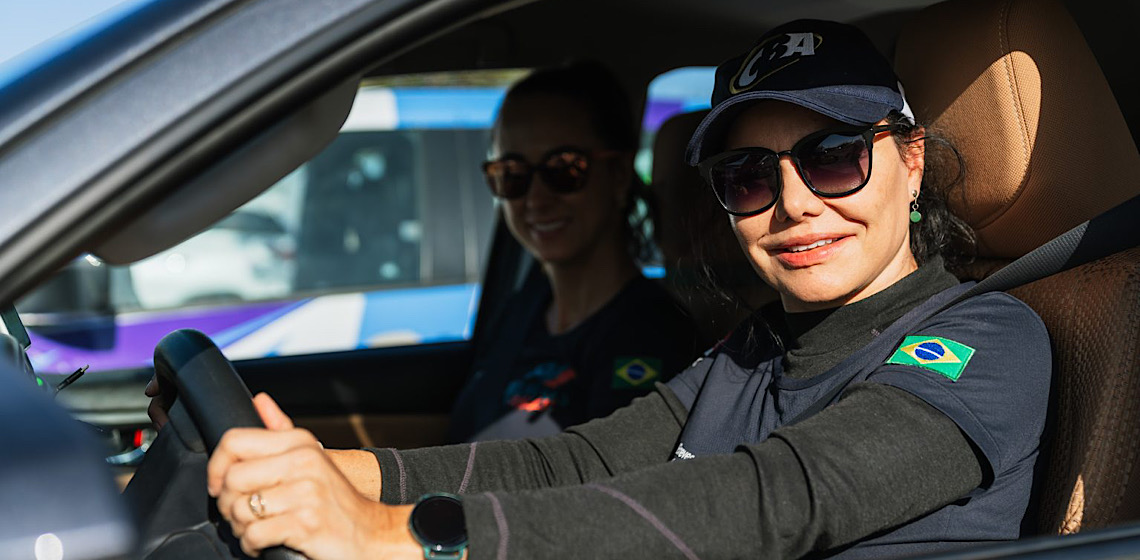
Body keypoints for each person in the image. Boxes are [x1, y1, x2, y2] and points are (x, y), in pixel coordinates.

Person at [206, 20, 1051, 560]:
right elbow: (575, 461)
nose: (795, 203)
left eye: (834, 156)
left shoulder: (987, 340)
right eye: (748, 176)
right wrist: (343, 472)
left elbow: (778, 499)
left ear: (910, 163)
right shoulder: (753, 352)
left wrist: (403, 536)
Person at [448, 61, 703, 442]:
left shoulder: (651, 338)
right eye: (512, 174)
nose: (536, 199)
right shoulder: (525, 308)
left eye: (564, 169)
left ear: (617, 175)